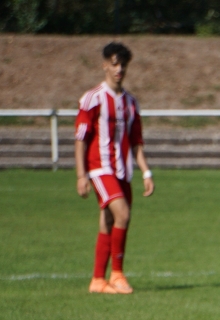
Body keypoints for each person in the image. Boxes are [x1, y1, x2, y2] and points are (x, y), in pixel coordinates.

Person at [75, 42, 155, 295]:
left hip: (123, 171)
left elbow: (136, 142)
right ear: (104, 65)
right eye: (114, 64)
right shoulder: (93, 98)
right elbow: (81, 139)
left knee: (109, 221)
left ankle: (98, 280)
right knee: (123, 215)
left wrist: (146, 172)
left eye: (123, 65)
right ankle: (117, 274)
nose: (119, 69)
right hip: (100, 168)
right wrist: (81, 175)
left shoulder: (131, 103)